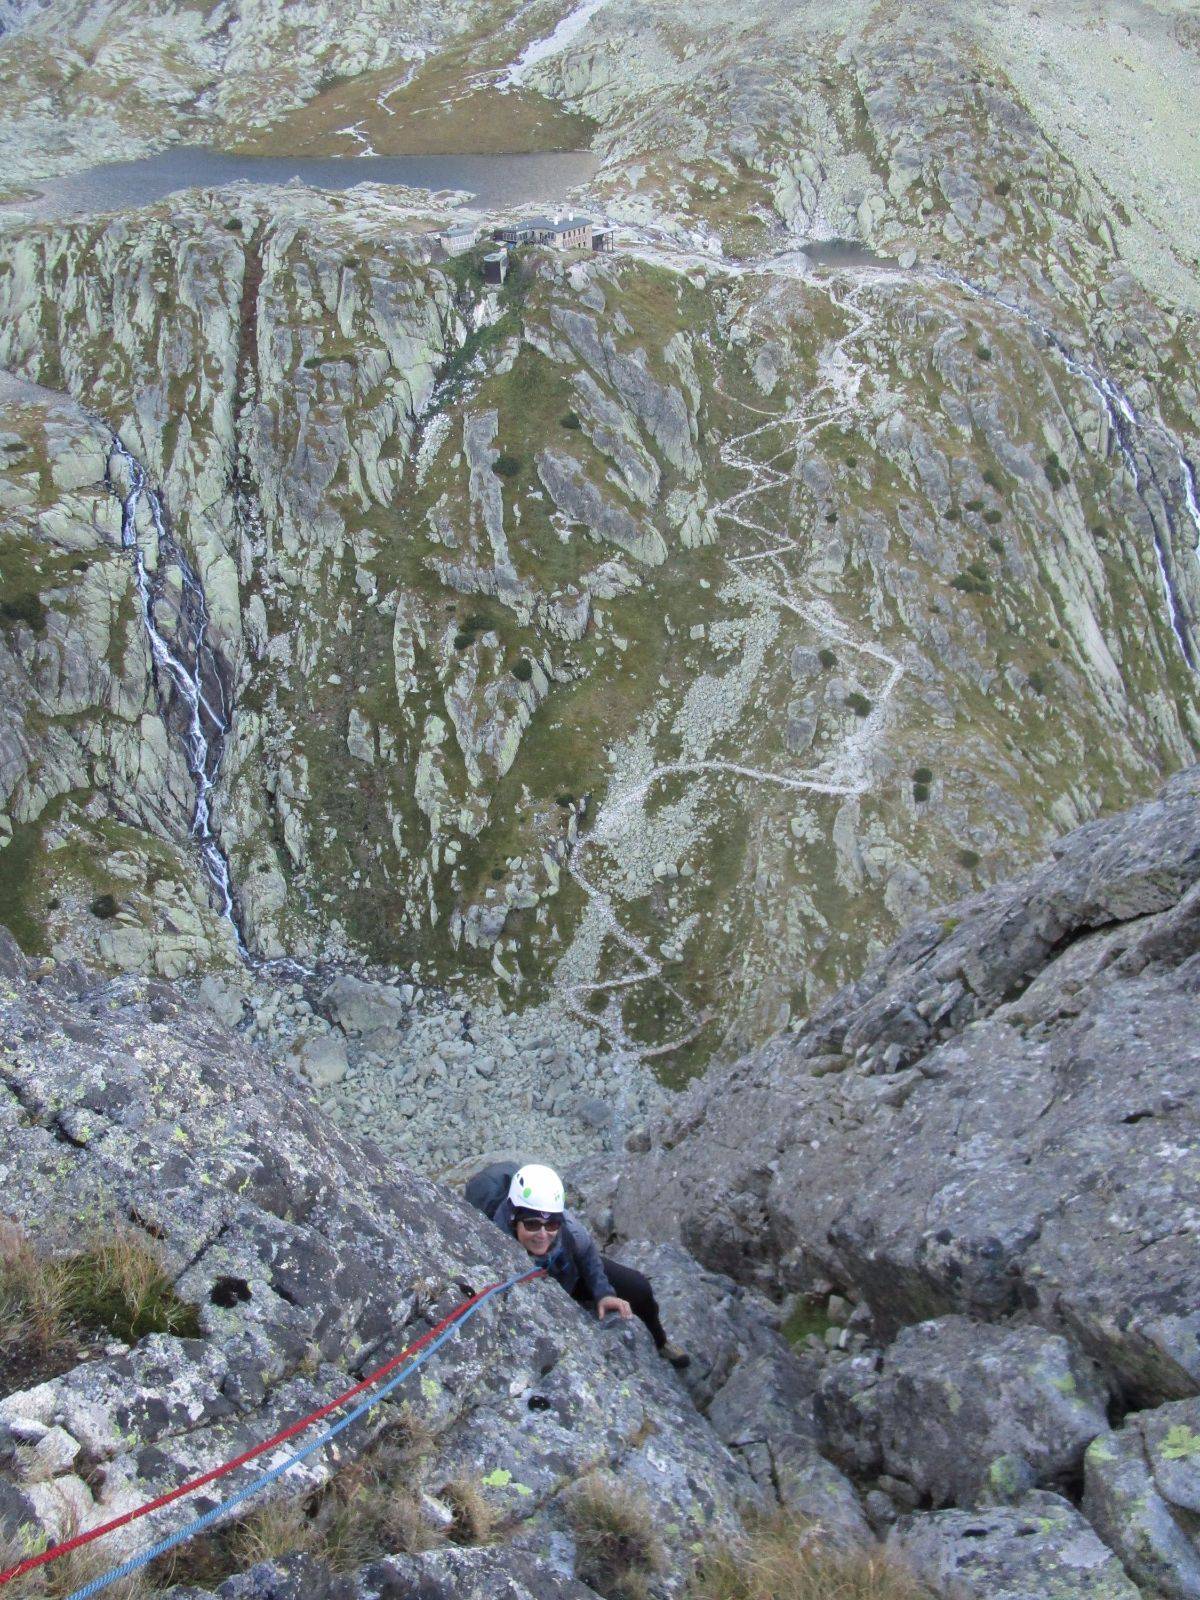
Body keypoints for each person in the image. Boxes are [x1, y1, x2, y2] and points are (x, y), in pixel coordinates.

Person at [465, 1161, 690, 1368]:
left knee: (639, 1287)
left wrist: (603, 1292)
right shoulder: (495, 1241)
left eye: (551, 1225)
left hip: (566, 1271)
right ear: (514, 1218)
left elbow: (588, 1253)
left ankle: (661, 1342)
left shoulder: (569, 1228)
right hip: (549, 1279)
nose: (542, 1234)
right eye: (532, 1224)